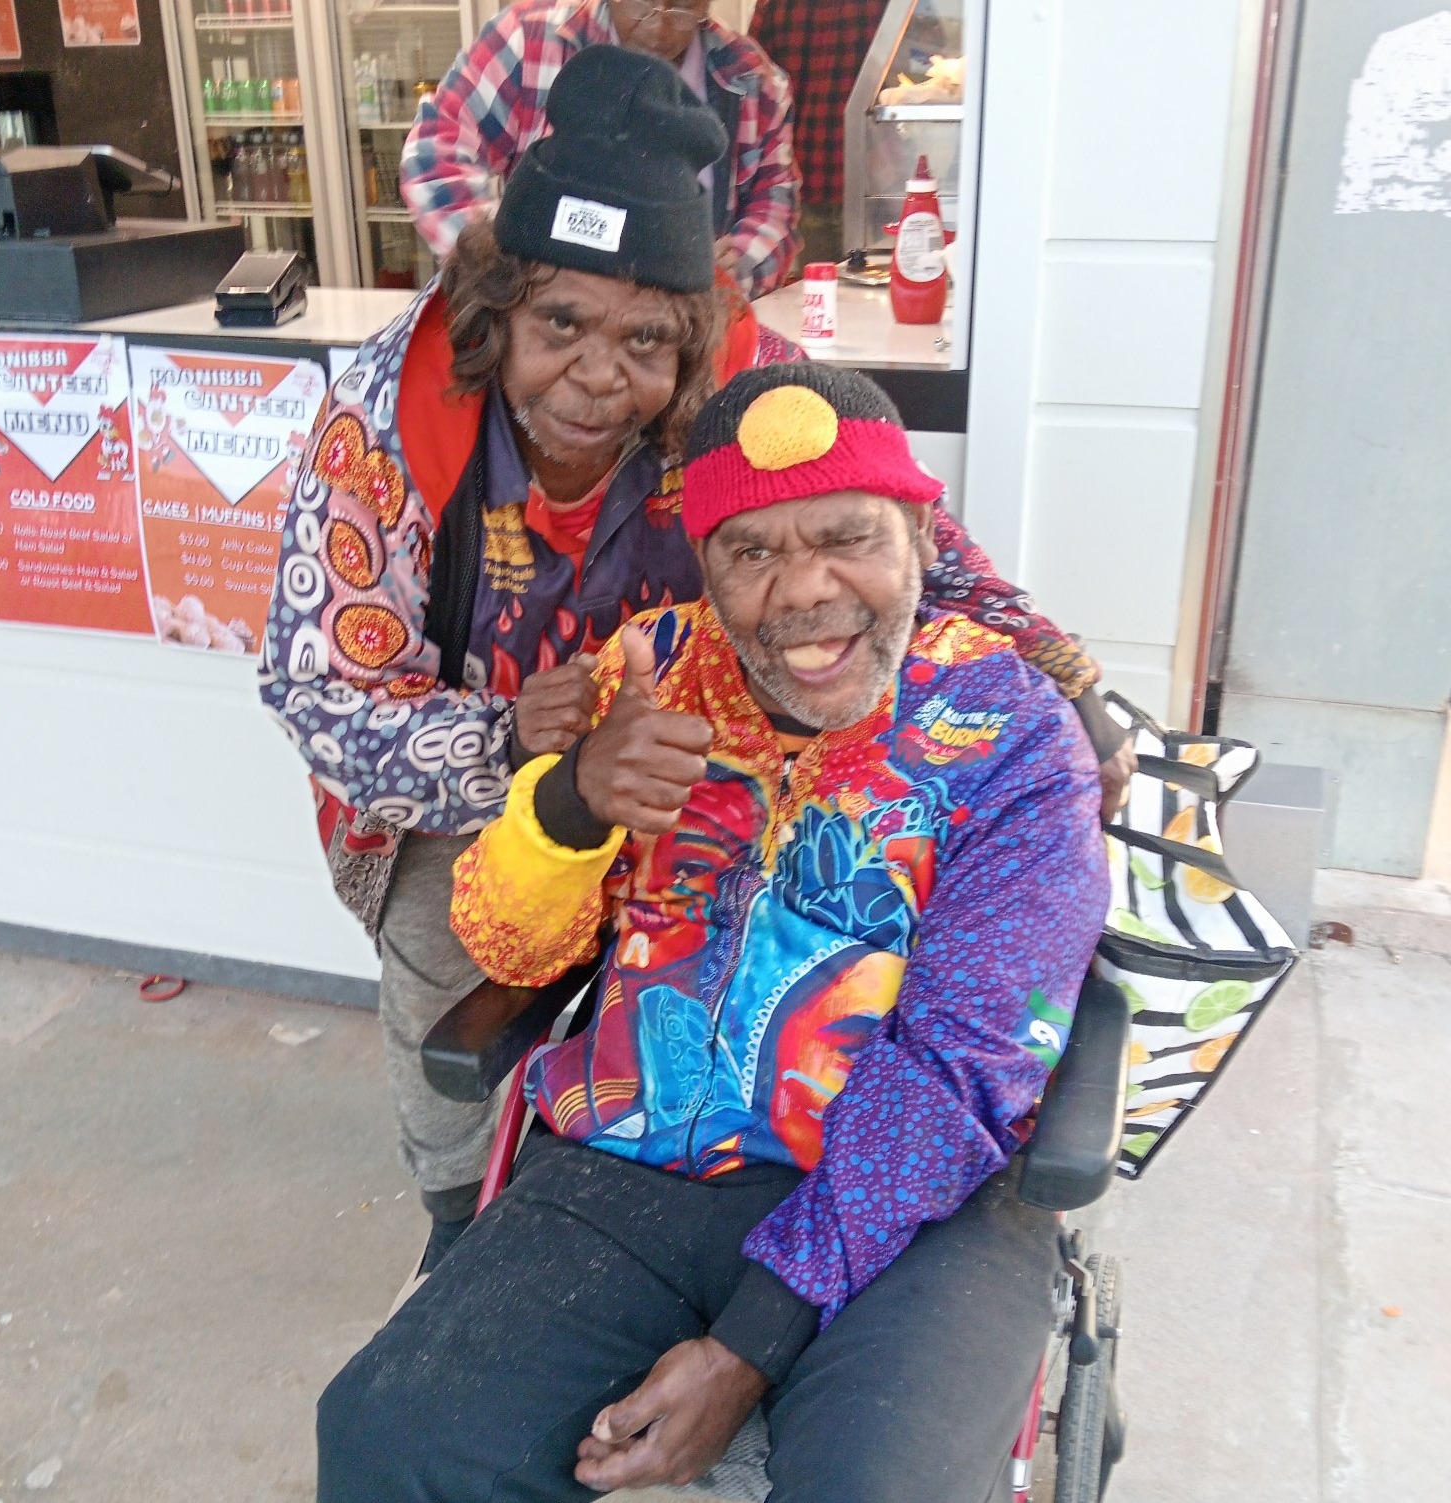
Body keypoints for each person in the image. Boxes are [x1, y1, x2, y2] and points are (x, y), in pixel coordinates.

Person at [261, 46, 1126, 1284]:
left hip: (709, 738)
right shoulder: (386, 420)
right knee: (454, 962)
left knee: (797, 927)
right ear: (498, 306)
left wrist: (1071, 684)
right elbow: (318, 691)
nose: (601, 376)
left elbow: (904, 545)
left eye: (646, 343)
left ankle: (782, 1192)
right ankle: (462, 1221)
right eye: (561, 323)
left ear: (694, 341)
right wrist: (518, 747)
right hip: (460, 771)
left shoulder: (749, 377)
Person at [314, 362, 1112, 1503]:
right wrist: (570, 800)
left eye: (847, 537)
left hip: (914, 1201)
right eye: (751, 552)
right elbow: (507, 951)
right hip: (636, 1158)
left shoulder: (1014, 739)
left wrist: (750, 1345)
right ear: (706, 563)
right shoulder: (645, 672)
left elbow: (961, 1067)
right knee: (391, 1437)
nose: (802, 592)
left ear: (923, 541)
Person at [399, 0, 801, 300]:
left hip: (683, 339)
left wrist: (731, 273)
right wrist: (502, 257)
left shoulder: (751, 78)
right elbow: (434, 158)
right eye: (640, 4)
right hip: (544, 319)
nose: (659, 30)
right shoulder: (529, 42)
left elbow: (775, 208)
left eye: (682, 9)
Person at [750, 0, 886, 267]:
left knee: (818, 292)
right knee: (881, 295)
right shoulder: (881, 6)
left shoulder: (774, 6)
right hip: (877, 180)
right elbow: (923, 66)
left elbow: (754, 92)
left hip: (806, 177)